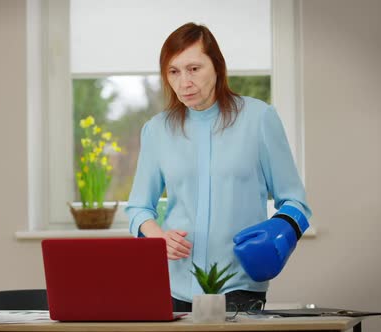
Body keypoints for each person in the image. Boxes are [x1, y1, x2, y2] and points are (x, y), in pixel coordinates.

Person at [125, 22, 312, 312]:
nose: (183, 82)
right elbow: (137, 207)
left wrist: (279, 234)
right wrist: (158, 237)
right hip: (173, 283)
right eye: (173, 71)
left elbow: (296, 203)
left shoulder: (259, 118)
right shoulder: (157, 130)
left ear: (217, 66)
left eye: (194, 69)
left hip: (240, 283)